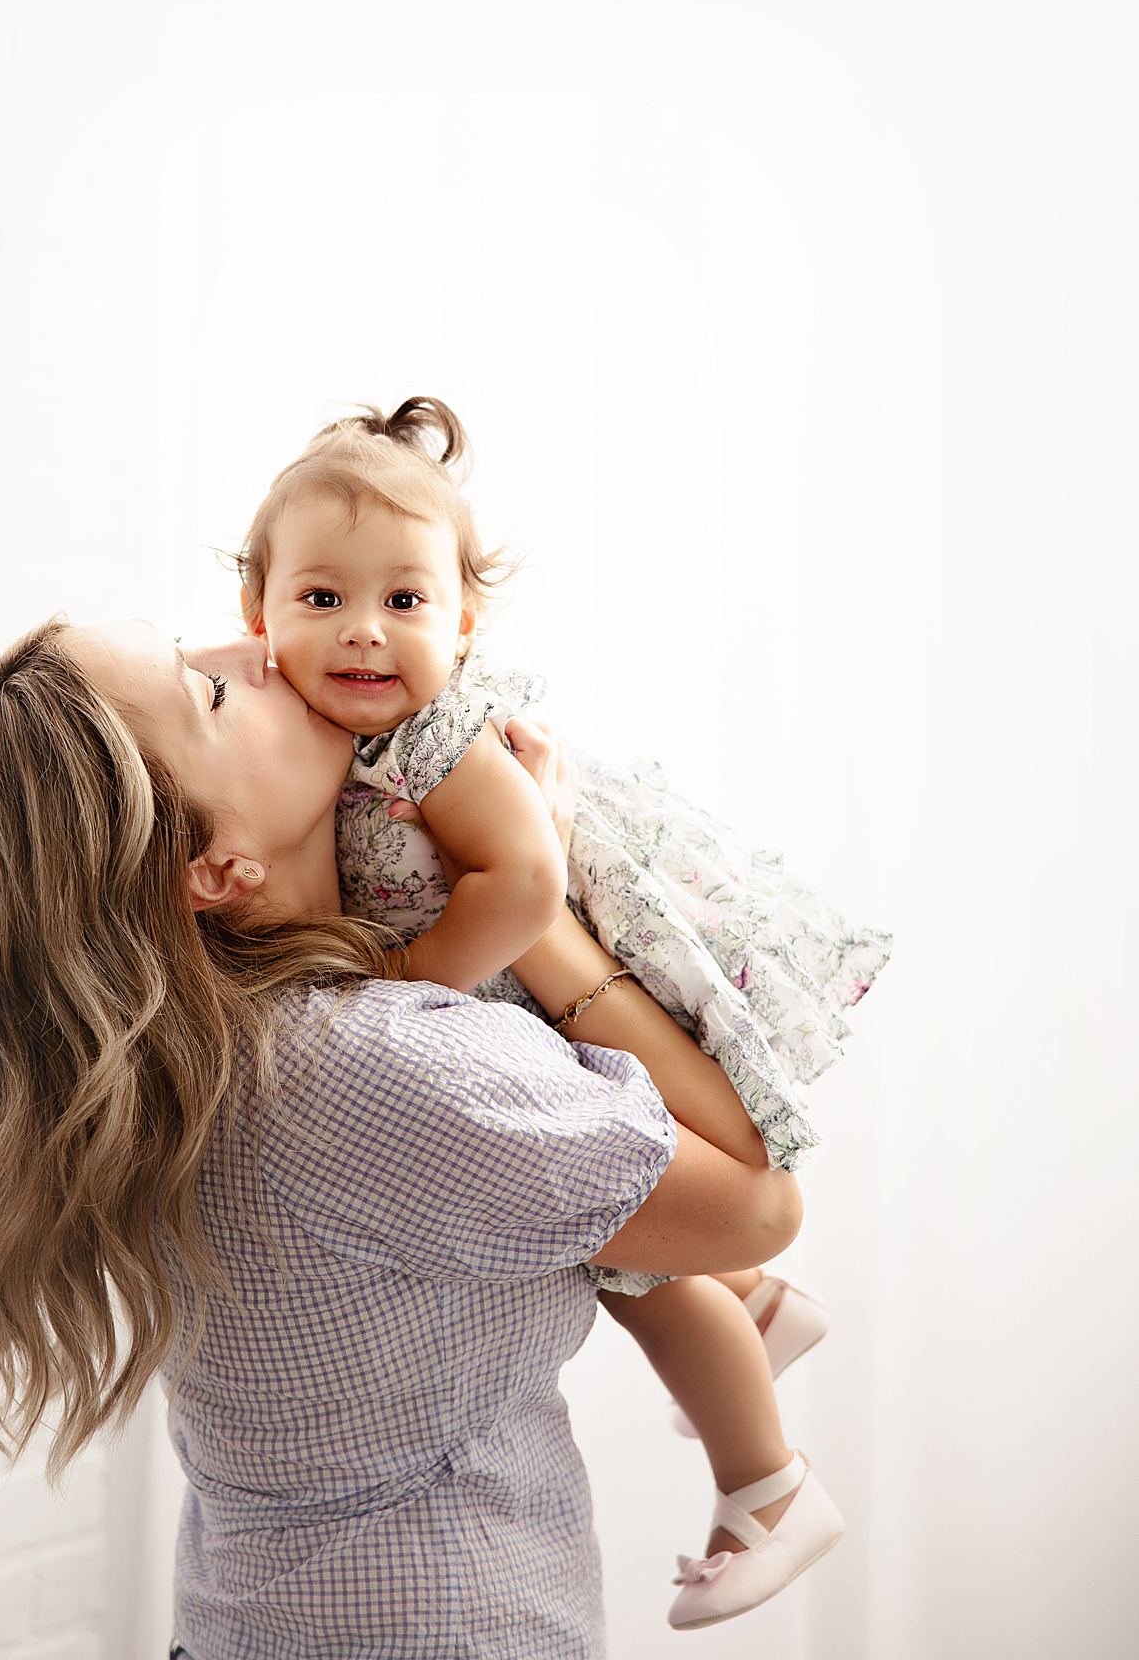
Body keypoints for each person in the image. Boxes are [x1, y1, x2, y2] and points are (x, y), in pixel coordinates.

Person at [0, 604, 803, 1659]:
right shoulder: (378, 1071)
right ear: (215, 867)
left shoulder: (180, 1062)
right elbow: (758, 1204)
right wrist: (538, 902)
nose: (253, 646)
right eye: (208, 691)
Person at [228, 393, 895, 1630]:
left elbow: (527, 880)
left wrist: (399, 992)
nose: (366, 632)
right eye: (322, 599)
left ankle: (772, 1483)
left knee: (630, 1260)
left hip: (515, 990)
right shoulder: (313, 727)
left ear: (466, 621)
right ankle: (751, 1298)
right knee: (616, 1245)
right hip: (501, 1013)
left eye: (407, 601)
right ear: (255, 614)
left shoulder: (435, 732)